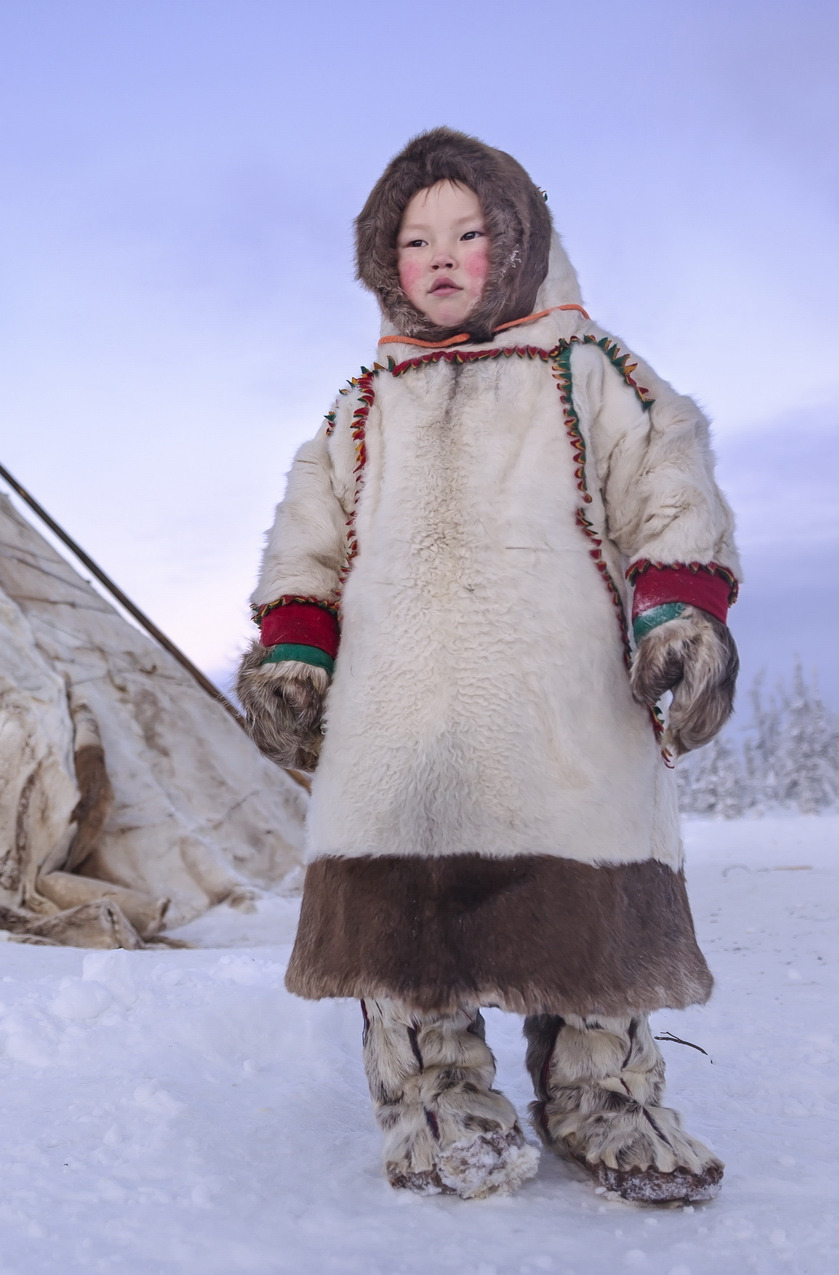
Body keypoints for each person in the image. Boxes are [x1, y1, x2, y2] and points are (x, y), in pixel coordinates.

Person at [238, 128, 738, 1203]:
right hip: (401, 714)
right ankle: (438, 1104)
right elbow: (308, 538)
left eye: (471, 232)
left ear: (517, 241)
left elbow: (667, 485)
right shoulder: (364, 400)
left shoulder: (591, 369)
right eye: (417, 240)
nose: (445, 255)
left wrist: (680, 616)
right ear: (385, 260)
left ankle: (606, 1099)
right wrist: (293, 653)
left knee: (592, 921)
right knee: (407, 928)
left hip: (564, 706)